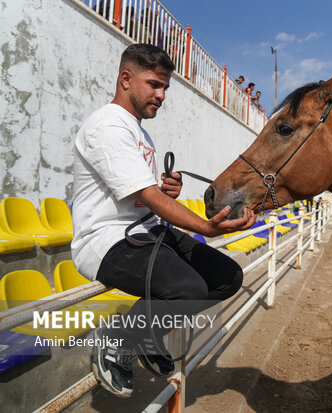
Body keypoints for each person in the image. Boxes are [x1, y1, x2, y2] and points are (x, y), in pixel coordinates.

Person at [71, 44, 256, 398]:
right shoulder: (107, 126)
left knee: (227, 277)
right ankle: (119, 337)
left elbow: (145, 194)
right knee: (187, 289)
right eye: (154, 84)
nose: (161, 95)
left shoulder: (139, 131)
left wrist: (165, 190)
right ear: (126, 79)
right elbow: (145, 197)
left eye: (166, 87)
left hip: (146, 232)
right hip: (106, 240)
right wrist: (205, 227)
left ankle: (146, 334)